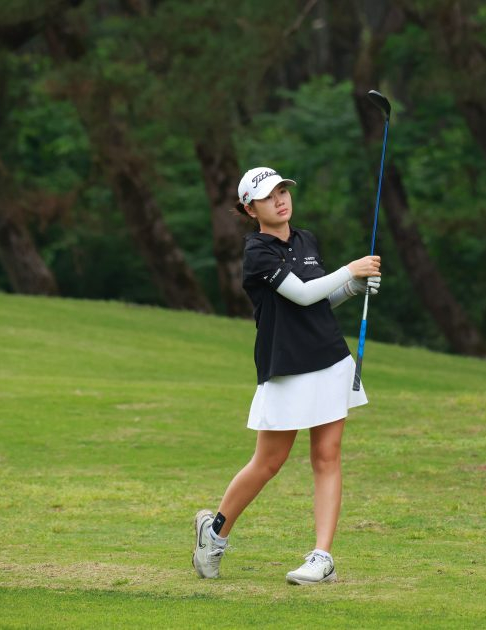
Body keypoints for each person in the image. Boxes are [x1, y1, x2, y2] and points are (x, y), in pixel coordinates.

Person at [193, 166, 382, 585]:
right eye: (268, 196)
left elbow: (321, 299)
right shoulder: (257, 253)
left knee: (327, 456)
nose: (280, 200)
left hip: (329, 358)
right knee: (268, 462)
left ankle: (322, 557)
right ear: (250, 208)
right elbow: (302, 294)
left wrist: (354, 288)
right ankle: (215, 534)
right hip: (286, 366)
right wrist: (351, 270)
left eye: (282, 191)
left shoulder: (306, 240)